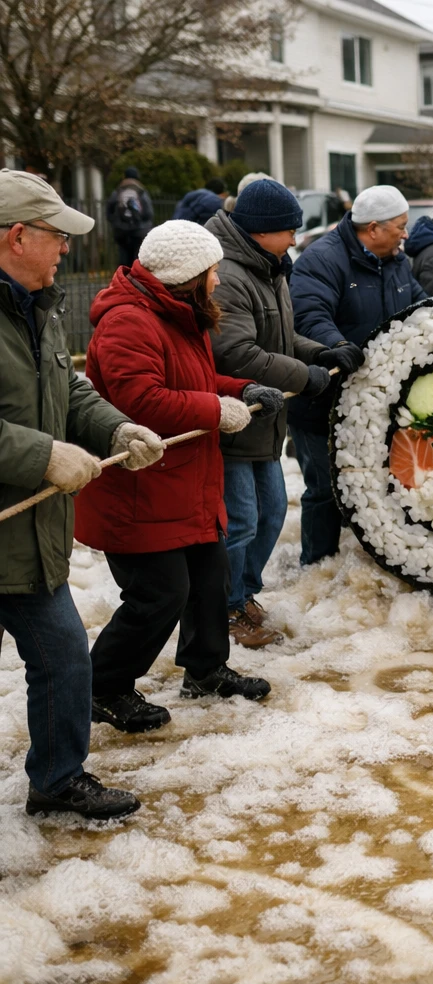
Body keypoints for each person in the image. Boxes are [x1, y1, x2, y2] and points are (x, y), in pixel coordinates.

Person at [0, 168, 165, 818]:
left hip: (28, 543)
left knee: (66, 658)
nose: (67, 249)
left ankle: (58, 779)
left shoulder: (40, 304)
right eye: (56, 236)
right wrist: (43, 454)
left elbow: (65, 390)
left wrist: (117, 427)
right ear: (16, 236)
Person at [77, 221, 281, 735]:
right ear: (187, 276)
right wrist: (216, 410)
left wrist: (244, 387)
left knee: (210, 581)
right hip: (140, 490)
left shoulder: (175, 315)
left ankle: (206, 670)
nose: (217, 281)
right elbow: (138, 401)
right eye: (211, 272)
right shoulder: (129, 322)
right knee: (159, 595)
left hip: (184, 484)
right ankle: (104, 686)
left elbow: (193, 379)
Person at [206, 179, 352, 647]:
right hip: (236, 412)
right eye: (289, 230)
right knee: (242, 519)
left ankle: (244, 593)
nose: (295, 238)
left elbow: (282, 339)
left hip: (265, 419)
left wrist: (327, 352)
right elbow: (235, 354)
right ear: (261, 230)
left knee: (270, 514)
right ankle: (222, 609)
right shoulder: (228, 274)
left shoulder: (271, 267)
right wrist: (304, 377)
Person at [290, 185, 421, 564]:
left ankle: (358, 559)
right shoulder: (322, 260)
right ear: (374, 228)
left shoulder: (396, 258)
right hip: (321, 394)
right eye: (400, 225)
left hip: (373, 398)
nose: (405, 234)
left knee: (366, 480)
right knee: (324, 489)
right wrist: (336, 345)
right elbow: (308, 314)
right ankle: (316, 568)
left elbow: (418, 304)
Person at [105, 166, 154, 268]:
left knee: (123, 259)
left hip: (122, 232)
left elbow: (109, 211)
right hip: (139, 231)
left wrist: (117, 224)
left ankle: (123, 280)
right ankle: (135, 281)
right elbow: (149, 213)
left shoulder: (118, 191)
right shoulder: (141, 191)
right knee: (137, 260)